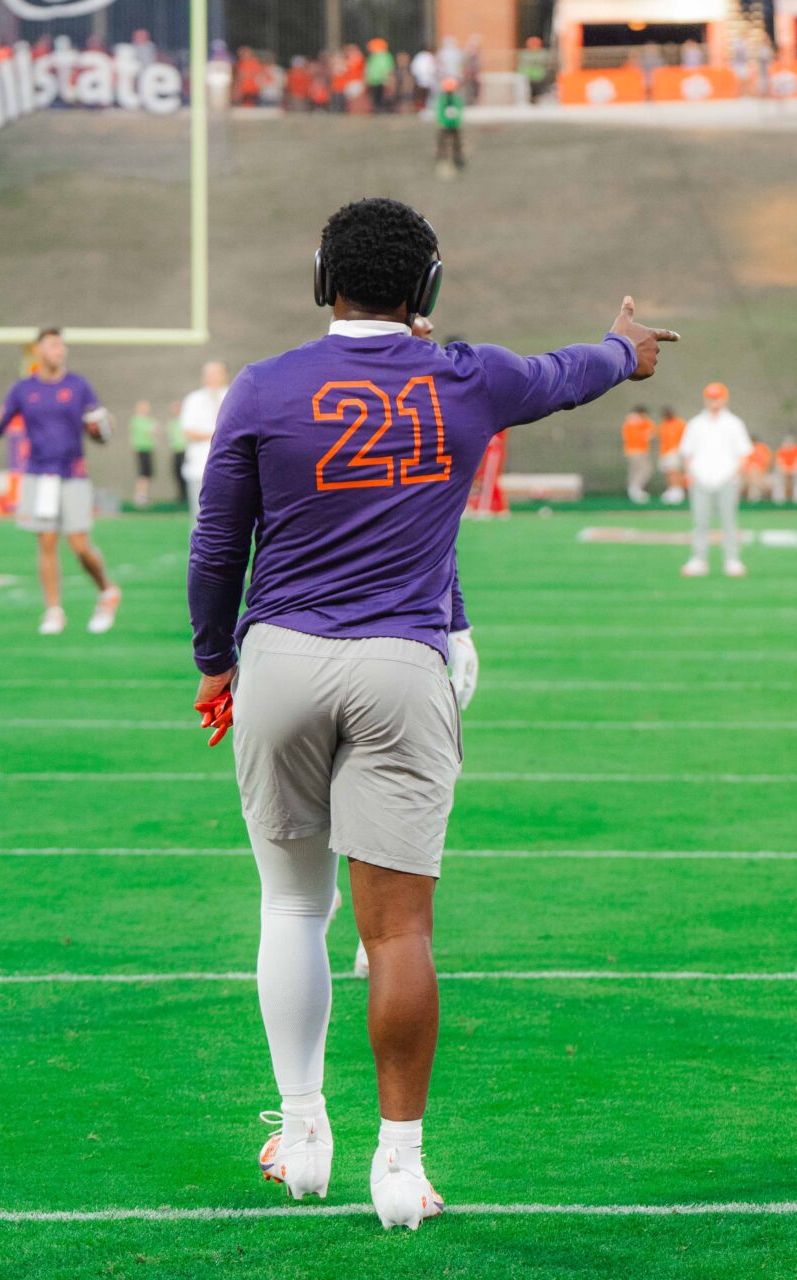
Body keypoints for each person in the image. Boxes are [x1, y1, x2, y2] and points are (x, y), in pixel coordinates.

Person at [187, 197, 673, 1230]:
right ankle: (400, 1167)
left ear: (324, 279)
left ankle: (303, 1134)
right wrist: (624, 349)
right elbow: (569, 371)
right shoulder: (467, 377)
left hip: (281, 656)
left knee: (292, 908)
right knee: (400, 928)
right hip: (405, 663)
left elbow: (218, 545)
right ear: (428, 287)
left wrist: (212, 663)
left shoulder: (263, 386)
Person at [0, 327, 121, 635]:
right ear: (38, 350)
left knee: (80, 545)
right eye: (53, 345)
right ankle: (53, 610)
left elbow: (99, 430)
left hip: (72, 473)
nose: (59, 350)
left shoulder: (78, 385)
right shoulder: (23, 388)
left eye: (61, 345)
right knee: (46, 543)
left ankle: (106, 590)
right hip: (39, 473)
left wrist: (102, 428)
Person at [678, 382, 751, 578]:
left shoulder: (734, 424)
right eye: (711, 398)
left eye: (717, 398)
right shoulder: (696, 424)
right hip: (701, 478)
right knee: (700, 521)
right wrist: (691, 474)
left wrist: (735, 474)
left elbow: (743, 453)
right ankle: (698, 560)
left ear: (725, 399)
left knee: (729, 521)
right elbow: (687, 453)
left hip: (727, 478)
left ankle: (732, 560)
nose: (714, 402)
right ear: (705, 399)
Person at [180, 360, 231, 522]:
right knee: (201, 517)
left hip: (232, 468)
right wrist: (218, 436)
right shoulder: (193, 399)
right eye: (209, 374)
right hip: (199, 468)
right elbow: (188, 432)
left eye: (216, 373)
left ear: (225, 375)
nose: (212, 377)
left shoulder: (235, 397)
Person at [621, 404, 655, 503]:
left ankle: (633, 489)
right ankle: (635, 488)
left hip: (630, 450)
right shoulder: (641, 421)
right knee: (645, 470)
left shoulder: (628, 421)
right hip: (639, 449)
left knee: (634, 471)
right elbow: (651, 432)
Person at [128, 400, 158, 507]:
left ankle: (143, 495)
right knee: (142, 474)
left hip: (149, 449)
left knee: (147, 474)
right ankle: (140, 497)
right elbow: (151, 430)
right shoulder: (136, 420)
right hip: (141, 449)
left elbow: (156, 430)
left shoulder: (149, 420)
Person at [657, 405, 687, 504]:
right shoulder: (664, 424)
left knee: (674, 472)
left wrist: (679, 450)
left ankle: (677, 491)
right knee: (668, 473)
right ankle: (671, 489)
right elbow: (661, 437)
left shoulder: (680, 423)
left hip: (675, 451)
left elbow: (685, 437)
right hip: (665, 453)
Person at [434, 78, 464, 174]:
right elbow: (441, 112)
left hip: (451, 124)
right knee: (444, 142)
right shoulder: (446, 100)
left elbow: (458, 111)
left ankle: (455, 158)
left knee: (454, 143)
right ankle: (444, 158)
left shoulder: (453, 99)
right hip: (448, 124)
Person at [167, 399, 189, 505]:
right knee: (177, 474)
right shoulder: (172, 423)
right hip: (176, 451)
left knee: (186, 474)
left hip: (185, 451)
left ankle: (188, 496)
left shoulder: (186, 421)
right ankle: (181, 496)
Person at [775, 434, 797, 505]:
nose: (788, 445)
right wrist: (786, 470)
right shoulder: (781, 451)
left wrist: (791, 470)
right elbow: (779, 464)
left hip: (795, 472)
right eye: (786, 443)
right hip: (785, 472)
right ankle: (779, 502)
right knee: (778, 477)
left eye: (790, 443)